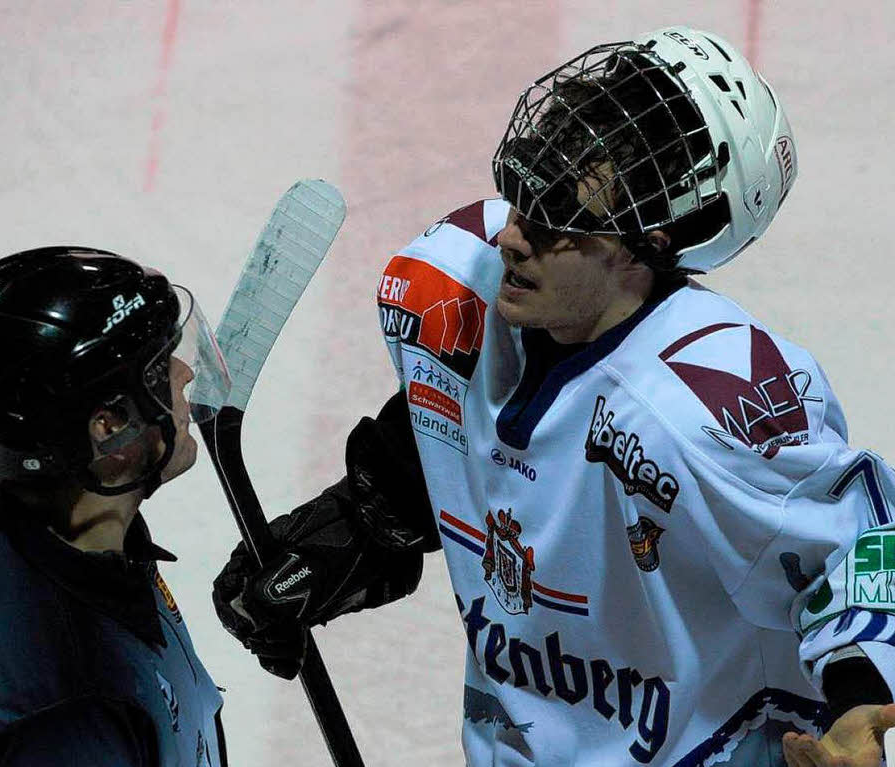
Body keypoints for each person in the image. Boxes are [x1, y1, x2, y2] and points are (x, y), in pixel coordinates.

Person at [213, 25, 895, 767]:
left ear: (654, 242)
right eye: (521, 198)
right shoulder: (463, 286)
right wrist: (341, 538)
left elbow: (858, 548)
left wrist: (859, 708)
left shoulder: (707, 404)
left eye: (554, 222)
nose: (510, 237)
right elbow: (442, 444)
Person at [0, 248, 229, 766]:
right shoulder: (73, 716)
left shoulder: (0, 524)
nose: (183, 375)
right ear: (107, 427)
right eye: (158, 367)